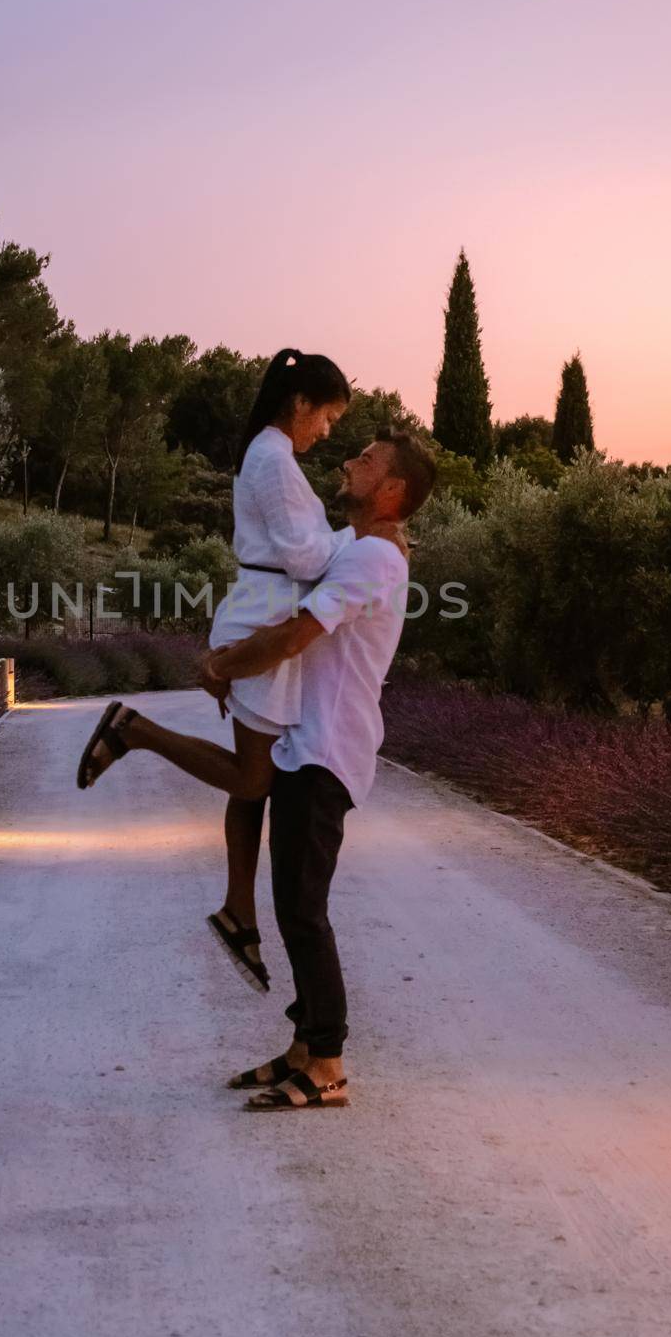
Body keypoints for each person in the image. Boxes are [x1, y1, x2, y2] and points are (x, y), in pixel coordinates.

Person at [77, 428, 438, 1110]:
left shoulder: (373, 558)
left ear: (392, 492)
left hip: (327, 749)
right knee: (292, 904)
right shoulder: (351, 545)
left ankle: (327, 1065)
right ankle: (304, 1046)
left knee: (304, 911)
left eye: (366, 460)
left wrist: (221, 664)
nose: (348, 462)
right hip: (304, 741)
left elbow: (294, 634)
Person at [80, 346, 353, 994]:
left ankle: (239, 912)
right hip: (263, 619)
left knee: (253, 781)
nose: (328, 430)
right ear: (300, 404)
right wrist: (359, 542)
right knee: (253, 776)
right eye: (328, 417)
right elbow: (303, 556)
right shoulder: (273, 459)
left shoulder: (271, 456)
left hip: (263, 612)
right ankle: (133, 730)